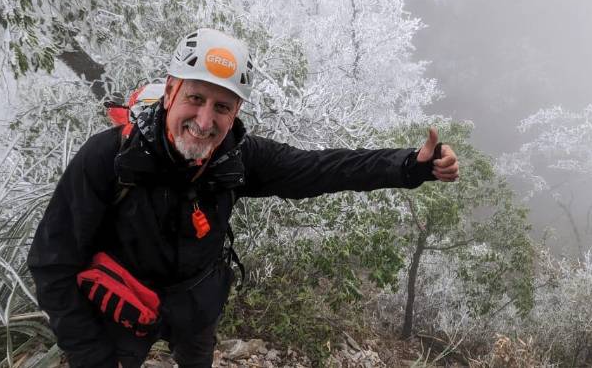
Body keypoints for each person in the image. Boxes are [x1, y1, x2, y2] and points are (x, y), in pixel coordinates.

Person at [27, 28, 459, 368]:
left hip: (195, 308)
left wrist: (408, 166)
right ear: (171, 90)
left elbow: (321, 169)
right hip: (122, 310)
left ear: (236, 112)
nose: (204, 121)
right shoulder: (109, 158)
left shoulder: (236, 157)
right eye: (195, 98)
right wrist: (92, 358)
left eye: (222, 107)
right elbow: (52, 261)